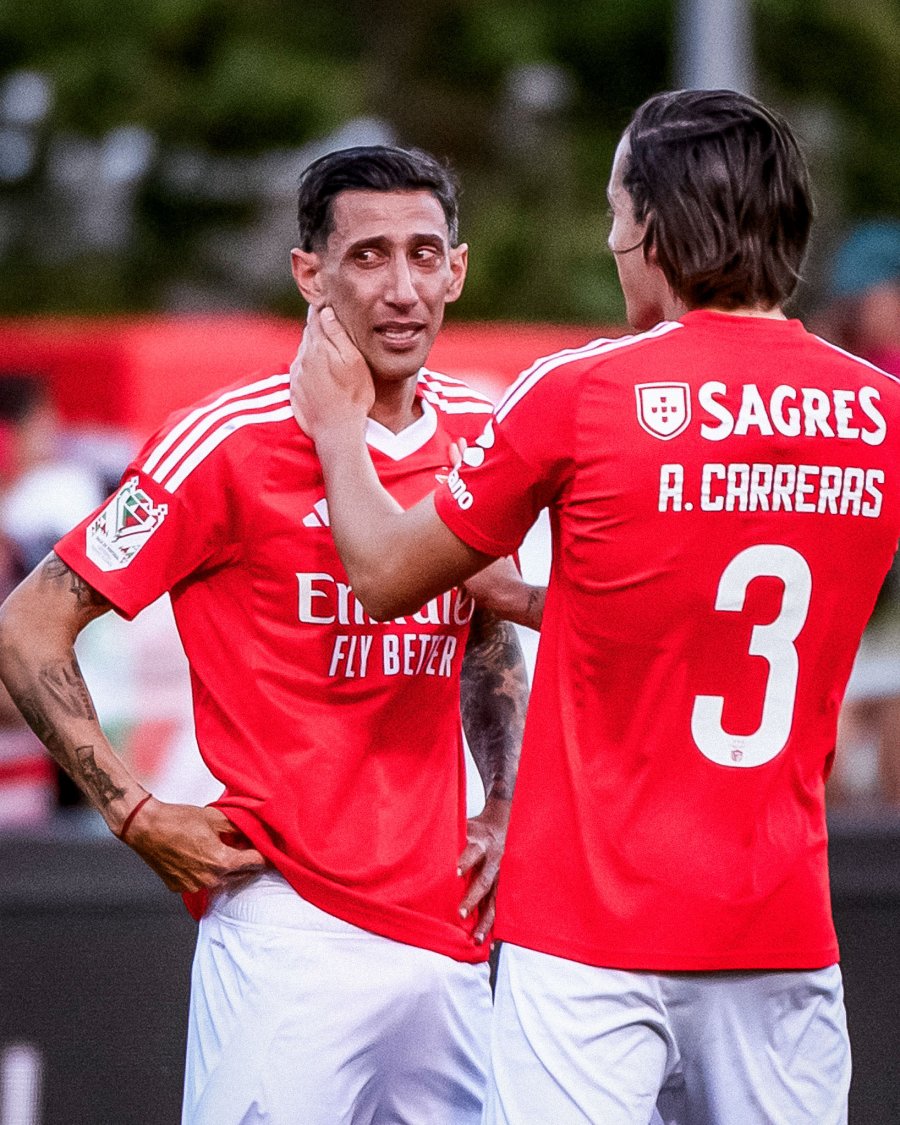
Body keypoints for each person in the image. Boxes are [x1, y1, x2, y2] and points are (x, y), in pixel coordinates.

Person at [290, 90, 900, 1124]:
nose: (612, 238)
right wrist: (530, 597)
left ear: (657, 228)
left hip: (590, 938)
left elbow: (384, 574)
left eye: (618, 211)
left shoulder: (582, 391)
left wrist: (338, 428)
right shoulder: (877, 410)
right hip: (778, 929)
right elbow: (703, 613)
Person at [0, 146, 538, 1125]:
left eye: (425, 254)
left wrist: (503, 798)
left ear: (458, 268)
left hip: (452, 929)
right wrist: (131, 809)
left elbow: (484, 629)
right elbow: (29, 626)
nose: (404, 287)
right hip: (286, 928)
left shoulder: (484, 428)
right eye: (369, 256)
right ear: (310, 274)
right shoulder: (223, 443)